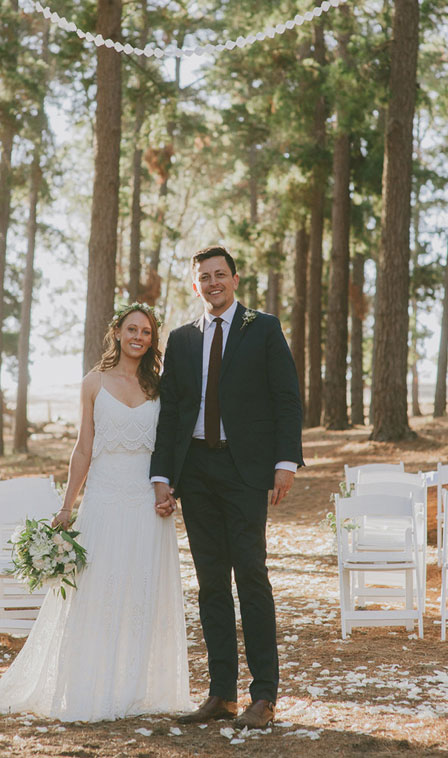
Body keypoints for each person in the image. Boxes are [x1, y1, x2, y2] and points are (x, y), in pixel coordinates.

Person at [0, 304, 191, 722]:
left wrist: (167, 493)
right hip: (105, 500)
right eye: (132, 328)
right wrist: (67, 506)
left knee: (140, 594)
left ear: (152, 340)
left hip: (147, 504)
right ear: (117, 332)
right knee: (95, 593)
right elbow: (84, 449)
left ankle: (133, 689)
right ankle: (89, 685)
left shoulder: (159, 388)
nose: (139, 337)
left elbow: (166, 448)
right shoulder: (93, 383)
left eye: (146, 331)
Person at [150, 246, 303, 729]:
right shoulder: (181, 339)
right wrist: (163, 477)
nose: (213, 283)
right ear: (195, 285)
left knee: (251, 577)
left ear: (235, 279)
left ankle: (264, 697)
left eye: (220, 274)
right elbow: (172, 413)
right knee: (211, 585)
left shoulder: (263, 327)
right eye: (204, 277)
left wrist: (285, 462)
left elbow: (286, 397)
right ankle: (222, 694)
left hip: (244, 472)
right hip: (195, 473)